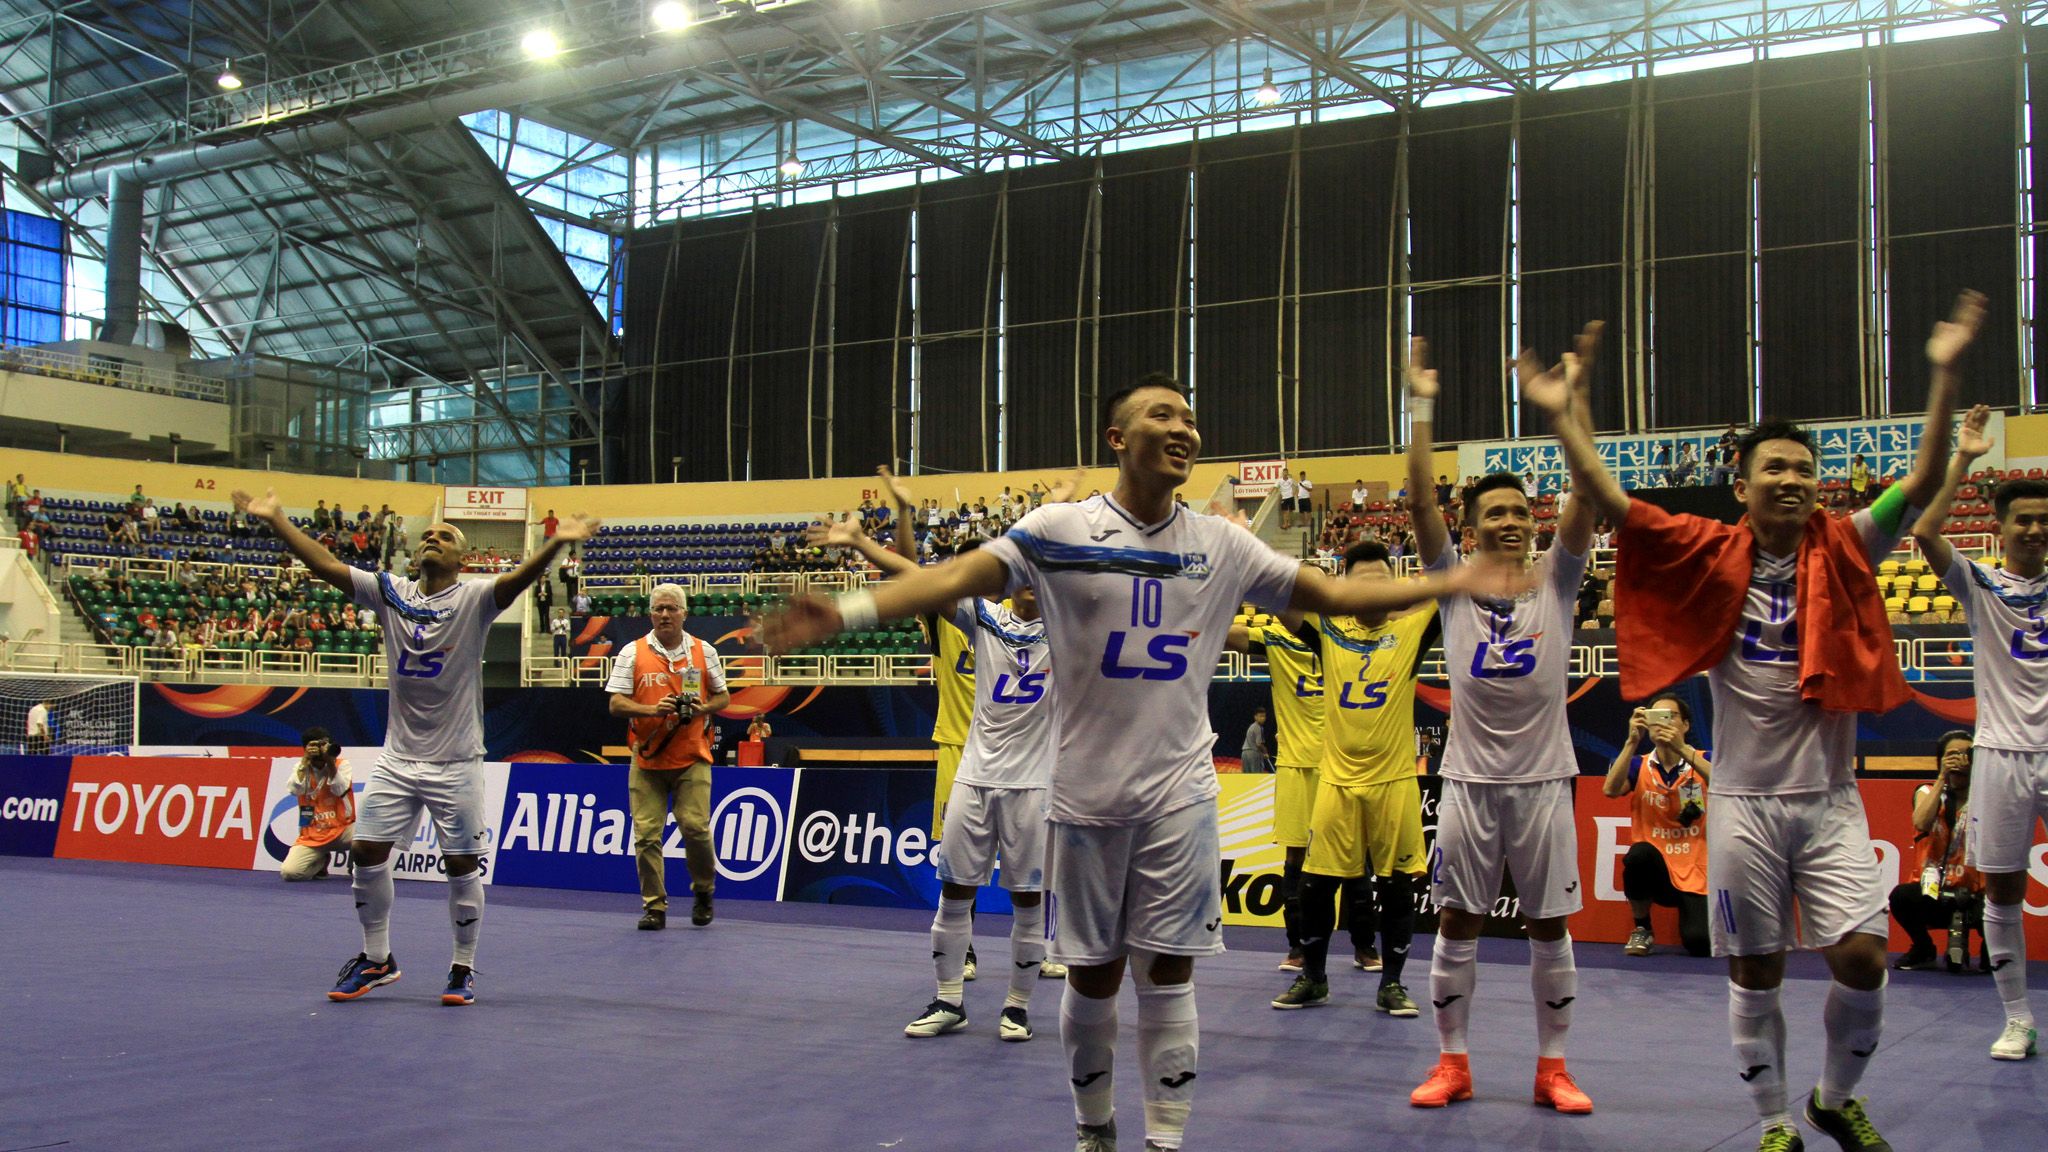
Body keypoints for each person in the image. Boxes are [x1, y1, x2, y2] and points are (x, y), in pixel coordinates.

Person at [761, 373, 1527, 1152]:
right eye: (1163, 414)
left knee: (1169, 975)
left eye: (1190, 417)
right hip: (1085, 800)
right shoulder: (1059, 529)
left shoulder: (1222, 544)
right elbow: (955, 578)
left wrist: (1452, 579)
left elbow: (1331, 596)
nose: (1184, 428)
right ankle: (1095, 1129)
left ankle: (1165, 1138)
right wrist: (848, 609)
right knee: (1094, 977)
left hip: (1181, 800)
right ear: (1118, 438)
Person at [1556, 291, 1984, 1150]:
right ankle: (1777, 1121)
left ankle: (1834, 1098)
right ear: (1742, 486)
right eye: (1774, 469)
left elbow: (1923, 478)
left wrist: (1941, 376)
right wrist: (1570, 413)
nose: (1792, 480)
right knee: (1756, 971)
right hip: (1744, 805)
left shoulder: (1850, 542)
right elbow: (1608, 497)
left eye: (1803, 469)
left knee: (1863, 960)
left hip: (1830, 801)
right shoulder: (1707, 552)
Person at [233, 484, 594, 1007]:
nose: (432, 538)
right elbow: (326, 566)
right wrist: (277, 519)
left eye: (445, 536)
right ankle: (377, 959)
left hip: (457, 760)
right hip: (398, 757)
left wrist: (556, 543)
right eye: (428, 534)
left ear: (462, 558)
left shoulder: (473, 598)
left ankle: (462, 968)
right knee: (365, 851)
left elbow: (516, 581)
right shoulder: (390, 591)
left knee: (461, 865)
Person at [1403, 332, 1600, 1116]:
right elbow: (1420, 503)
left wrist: (1573, 405)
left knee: (1550, 925)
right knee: (1458, 920)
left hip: (1546, 781)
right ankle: (1452, 1062)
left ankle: (1554, 1069)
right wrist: (1421, 408)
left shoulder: (1558, 579)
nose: (1513, 521)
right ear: (1472, 526)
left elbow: (1587, 490)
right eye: (1496, 513)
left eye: (1521, 511)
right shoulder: (1452, 581)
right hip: (1468, 782)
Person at [817, 513, 1058, 1042]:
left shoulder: (1070, 634)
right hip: (974, 777)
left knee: (1027, 900)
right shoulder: (984, 619)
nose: (1029, 583)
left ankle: (1017, 1007)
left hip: (1034, 785)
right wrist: (861, 543)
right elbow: (917, 575)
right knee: (954, 892)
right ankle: (949, 1001)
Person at [1911, 403, 2047, 1060]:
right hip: (1999, 755)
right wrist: (1964, 457)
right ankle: (2017, 1019)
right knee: (2002, 888)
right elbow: (1926, 532)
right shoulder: (1981, 585)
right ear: (2000, 527)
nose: (2036, 529)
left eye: (2045, 520)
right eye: (2024, 519)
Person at [1267, 540, 1440, 1020]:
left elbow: (1447, 578)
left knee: (1397, 886)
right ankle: (1314, 978)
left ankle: (1392, 984)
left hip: (1395, 781)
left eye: (1383, 581)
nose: (1374, 591)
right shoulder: (1327, 629)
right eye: (1363, 583)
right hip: (1336, 782)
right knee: (1316, 886)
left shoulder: (1413, 629)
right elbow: (1280, 599)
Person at [607, 583, 730, 930]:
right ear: (650, 614)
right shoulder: (631, 652)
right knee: (646, 835)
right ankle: (654, 906)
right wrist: (651, 709)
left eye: (672, 608)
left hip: (692, 754)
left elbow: (724, 697)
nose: (665, 614)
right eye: (659, 608)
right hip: (647, 758)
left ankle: (703, 890)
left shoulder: (704, 652)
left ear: (684, 613)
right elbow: (616, 703)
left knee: (695, 828)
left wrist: (703, 707)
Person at [1603, 694, 1712, 958]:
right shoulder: (1637, 764)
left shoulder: (1705, 758)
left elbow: (1727, 784)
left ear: (1685, 725)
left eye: (1670, 717)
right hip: (1656, 870)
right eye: (1655, 717)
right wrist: (1631, 741)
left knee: (1700, 943)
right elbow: (1610, 790)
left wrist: (1681, 749)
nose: (1662, 723)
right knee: (1638, 855)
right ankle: (1642, 928)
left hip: (1697, 871)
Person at [1887, 731, 1983, 972]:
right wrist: (1942, 778)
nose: (1959, 761)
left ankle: (1992, 950)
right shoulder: (1927, 792)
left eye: (1967, 755)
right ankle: (1923, 948)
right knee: (1901, 897)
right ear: (1940, 761)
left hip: (1975, 895)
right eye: (1952, 755)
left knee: (2002, 901)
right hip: (1934, 894)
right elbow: (1921, 822)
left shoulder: (1986, 799)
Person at [282, 729, 355, 882]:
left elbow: (340, 790)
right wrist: (305, 761)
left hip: (343, 828)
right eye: (318, 745)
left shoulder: (342, 764)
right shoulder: (301, 767)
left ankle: (355, 867)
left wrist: (330, 762)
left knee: (366, 836)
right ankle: (320, 861)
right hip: (313, 833)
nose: (323, 748)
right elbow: (294, 790)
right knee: (290, 873)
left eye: (325, 744)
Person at [1240, 708, 1272, 776]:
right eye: (1260, 716)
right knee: (1257, 776)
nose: (1263, 718)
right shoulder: (1258, 727)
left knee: (1246, 776)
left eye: (1264, 716)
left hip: (1244, 753)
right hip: (1253, 754)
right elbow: (1259, 744)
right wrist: (1265, 752)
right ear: (1255, 717)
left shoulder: (1251, 726)